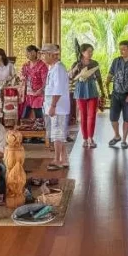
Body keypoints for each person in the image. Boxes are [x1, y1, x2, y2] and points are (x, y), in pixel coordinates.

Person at [41, 43, 70, 171]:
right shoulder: (52, 67)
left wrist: (53, 106)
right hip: (54, 106)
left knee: (57, 134)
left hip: (58, 107)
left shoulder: (58, 68)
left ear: (51, 55)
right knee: (58, 134)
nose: (43, 57)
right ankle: (64, 159)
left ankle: (57, 159)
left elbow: (57, 90)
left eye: (44, 54)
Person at [70, 44, 104, 149]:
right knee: (83, 116)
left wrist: (102, 91)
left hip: (92, 90)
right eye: (89, 51)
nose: (91, 53)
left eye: (92, 51)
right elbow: (71, 78)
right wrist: (76, 70)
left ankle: (90, 138)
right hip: (80, 90)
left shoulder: (94, 63)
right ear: (82, 52)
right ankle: (85, 139)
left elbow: (99, 78)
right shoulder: (77, 63)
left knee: (92, 116)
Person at [20, 45, 48, 119]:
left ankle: (40, 129)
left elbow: (46, 81)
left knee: (38, 114)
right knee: (24, 116)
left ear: (33, 53)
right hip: (28, 94)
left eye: (28, 53)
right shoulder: (26, 65)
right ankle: (25, 129)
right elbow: (22, 76)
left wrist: (41, 90)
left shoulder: (42, 65)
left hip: (38, 94)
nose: (26, 55)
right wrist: (22, 77)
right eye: (26, 53)